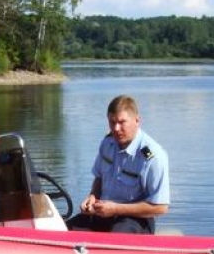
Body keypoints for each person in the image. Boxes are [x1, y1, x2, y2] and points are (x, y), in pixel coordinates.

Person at [67, 94, 169, 234]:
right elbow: (99, 177)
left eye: (122, 122)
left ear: (137, 120)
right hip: (103, 213)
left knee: (116, 235)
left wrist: (116, 209)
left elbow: (160, 207)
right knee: (61, 229)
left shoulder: (152, 156)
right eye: (112, 122)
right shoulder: (107, 143)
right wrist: (92, 197)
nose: (116, 128)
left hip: (136, 220)